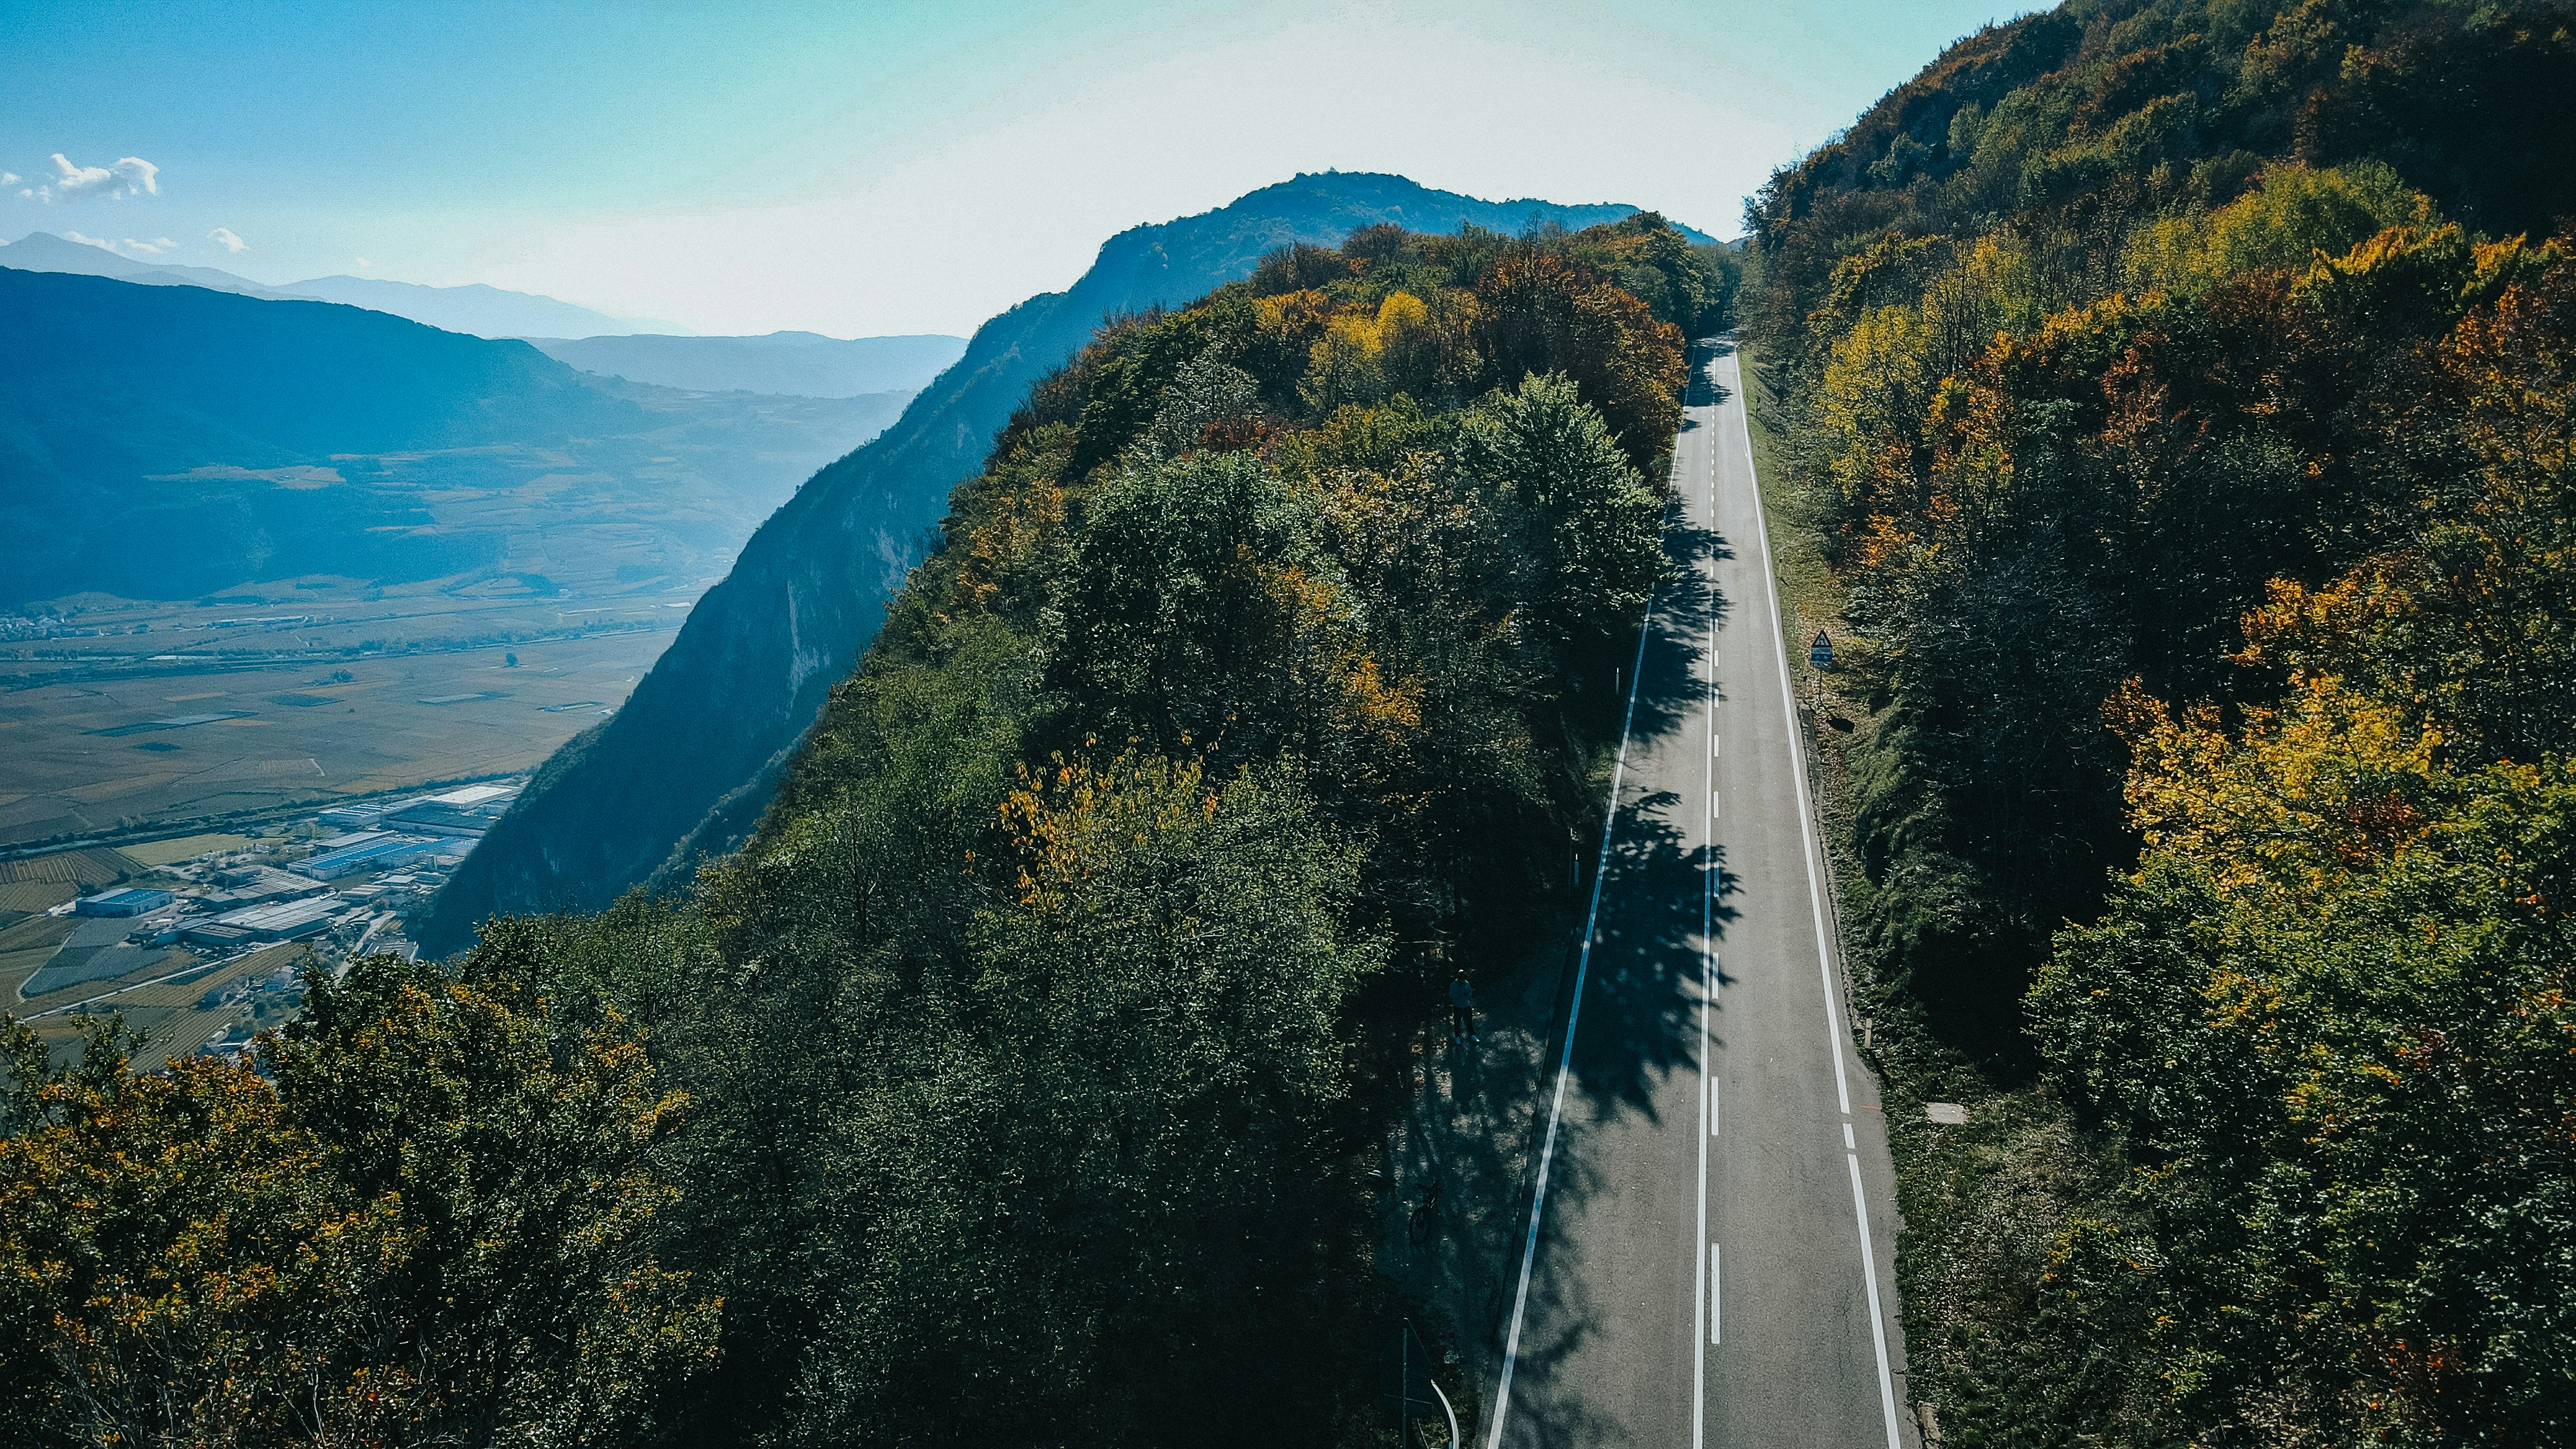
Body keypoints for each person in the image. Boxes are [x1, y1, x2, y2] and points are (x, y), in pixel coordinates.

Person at [1447, 977, 1477, 1043]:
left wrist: (1468, 995)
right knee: (1457, 1022)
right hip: (1458, 1006)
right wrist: (1460, 995)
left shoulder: (1467, 983)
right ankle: (1457, 1037)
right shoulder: (1453, 985)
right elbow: (1451, 996)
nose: (1463, 980)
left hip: (1466, 1005)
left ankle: (1472, 1035)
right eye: (1462, 979)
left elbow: (1470, 992)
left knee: (1469, 1021)